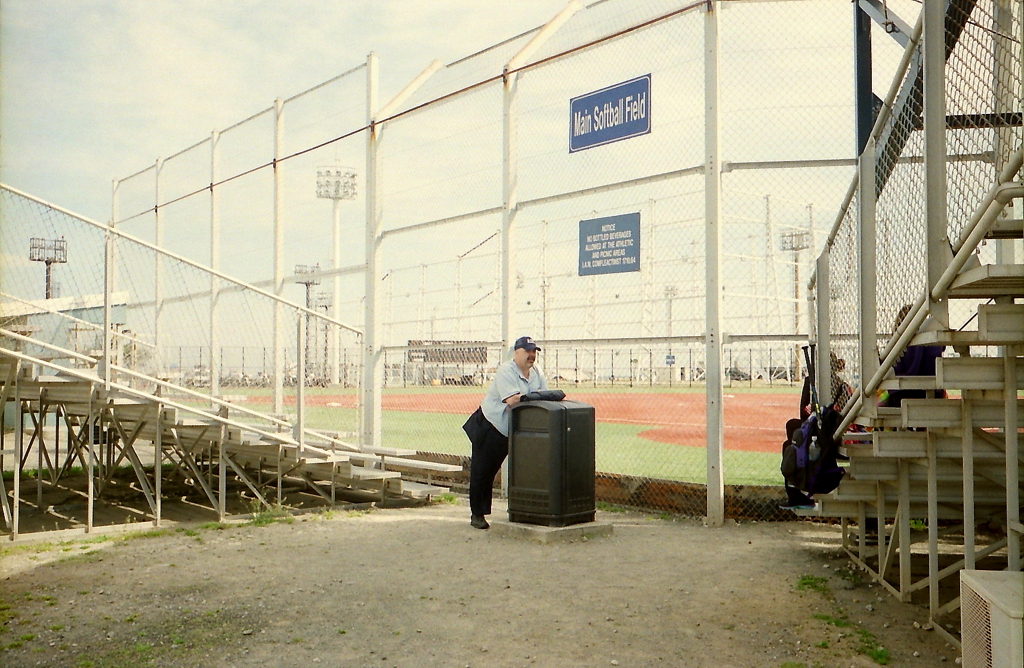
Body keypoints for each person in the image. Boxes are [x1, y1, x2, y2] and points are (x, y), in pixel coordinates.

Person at [468, 336, 548, 530]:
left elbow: (545, 396)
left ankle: (528, 510)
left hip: (517, 429)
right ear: (516, 353)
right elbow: (512, 400)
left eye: (534, 352)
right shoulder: (506, 370)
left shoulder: (536, 372)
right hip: (491, 425)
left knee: (526, 469)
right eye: (528, 351)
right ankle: (477, 514)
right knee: (484, 471)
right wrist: (535, 396)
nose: (532, 355)